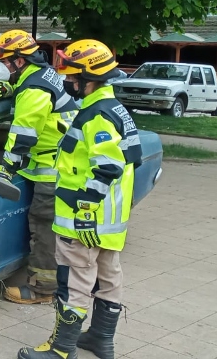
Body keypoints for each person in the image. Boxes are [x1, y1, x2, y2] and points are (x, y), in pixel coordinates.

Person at [18, 39, 141, 359]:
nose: (67, 82)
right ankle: (100, 339)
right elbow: (132, 160)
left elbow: (109, 167)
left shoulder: (97, 115)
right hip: (109, 222)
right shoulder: (112, 107)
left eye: (73, 77)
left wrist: (85, 208)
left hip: (83, 220)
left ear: (90, 79)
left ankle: (61, 349)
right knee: (107, 277)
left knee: (73, 281)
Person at [0, 30, 78, 305]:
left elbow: (23, 137)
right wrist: (10, 88)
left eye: (4, 60)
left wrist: (4, 169)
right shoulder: (38, 75)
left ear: (20, 60)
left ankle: (43, 288)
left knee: (43, 224)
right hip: (54, 160)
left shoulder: (34, 89)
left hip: (52, 166)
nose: (0, 65)